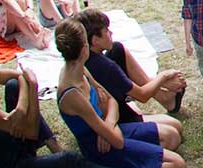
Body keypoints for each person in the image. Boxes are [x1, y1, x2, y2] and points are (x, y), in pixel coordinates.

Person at [54, 19, 186, 168]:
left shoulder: (80, 69)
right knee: (177, 163)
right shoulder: (72, 94)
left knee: (174, 136)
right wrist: (109, 124)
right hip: (100, 147)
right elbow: (117, 141)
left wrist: (108, 124)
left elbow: (111, 101)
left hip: (110, 129)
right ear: (85, 49)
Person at [0, 41, 84, 167]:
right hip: (10, 164)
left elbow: (19, 77)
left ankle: (53, 144)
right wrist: (33, 86)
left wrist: (21, 108)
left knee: (13, 86)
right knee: (70, 160)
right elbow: (31, 132)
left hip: (11, 144)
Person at [73, 10, 186, 132]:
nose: (111, 33)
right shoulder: (106, 67)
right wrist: (163, 77)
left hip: (106, 105)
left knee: (117, 49)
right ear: (95, 40)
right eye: (106, 31)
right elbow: (142, 96)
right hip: (117, 118)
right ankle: (138, 113)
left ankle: (165, 98)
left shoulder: (85, 56)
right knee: (175, 128)